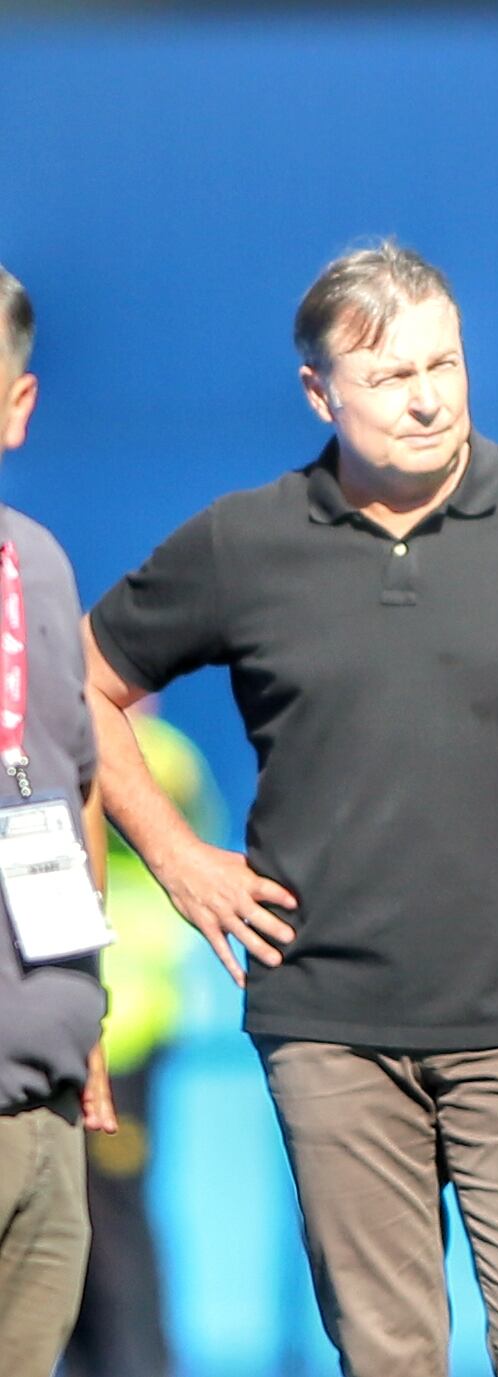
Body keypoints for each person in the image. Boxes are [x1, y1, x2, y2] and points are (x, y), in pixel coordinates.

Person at [82, 241, 498, 1377]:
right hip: (328, 1026)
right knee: (391, 1357)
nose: (428, 396)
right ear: (319, 393)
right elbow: (84, 682)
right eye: (392, 374)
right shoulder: (242, 542)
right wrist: (173, 856)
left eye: (444, 363)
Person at [0, 263, 116, 1377]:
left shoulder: (37, 562)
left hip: (44, 1094)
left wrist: (85, 1010)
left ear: (16, 406)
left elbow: (68, 786)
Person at [64, 704, 225, 1377]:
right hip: (58, 1019)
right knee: (54, 1217)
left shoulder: (160, 755)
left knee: (112, 1221)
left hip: (125, 1023)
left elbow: (141, 815)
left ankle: (138, 1364)